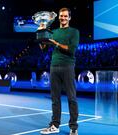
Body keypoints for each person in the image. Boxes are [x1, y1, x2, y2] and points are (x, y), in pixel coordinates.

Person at [39, 7, 79, 135]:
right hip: (54, 66)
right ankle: (55, 125)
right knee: (55, 99)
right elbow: (43, 48)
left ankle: (73, 128)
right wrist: (41, 33)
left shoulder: (74, 32)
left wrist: (55, 43)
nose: (63, 18)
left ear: (69, 18)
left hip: (68, 66)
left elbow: (71, 49)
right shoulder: (53, 31)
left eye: (65, 16)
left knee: (71, 98)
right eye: (61, 16)